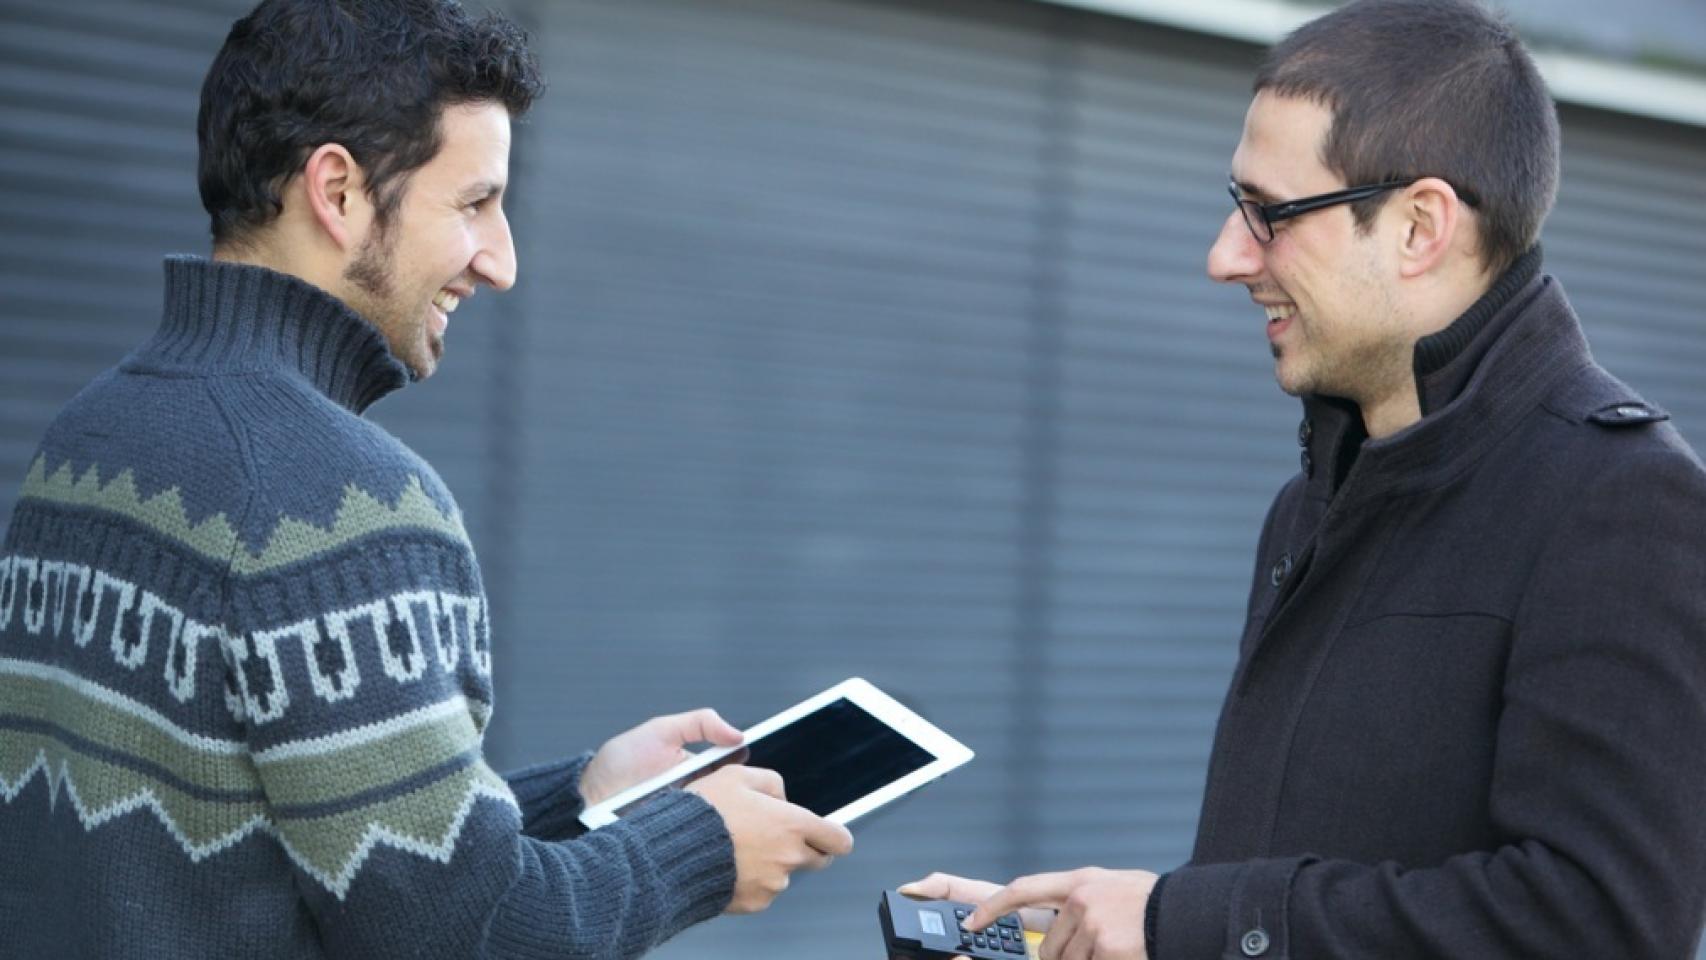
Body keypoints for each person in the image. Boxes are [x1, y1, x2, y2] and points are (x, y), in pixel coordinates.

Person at [0, 1, 851, 957]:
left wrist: (580, 798)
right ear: (340, 190)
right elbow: (470, 932)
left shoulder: (86, 439)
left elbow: (307, 844)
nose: (503, 261)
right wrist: (699, 847)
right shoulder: (338, 504)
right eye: (474, 203)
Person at [905, 0, 1706, 957]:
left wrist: (1180, 922)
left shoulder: (1622, 502)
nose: (1226, 257)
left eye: (1269, 213)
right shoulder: (1313, 502)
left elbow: (1600, 924)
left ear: (1420, 227)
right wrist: (1099, 932)